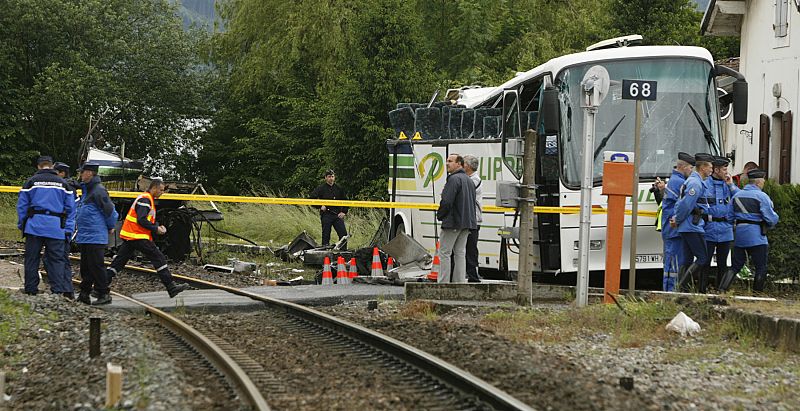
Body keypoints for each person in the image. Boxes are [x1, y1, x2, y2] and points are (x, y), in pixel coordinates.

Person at [106, 179, 189, 298]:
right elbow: (142, 219)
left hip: (132, 236)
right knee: (158, 257)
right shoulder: (145, 199)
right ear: (154, 188)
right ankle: (171, 287)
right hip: (137, 236)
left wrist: (156, 226)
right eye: (161, 190)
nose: (162, 193)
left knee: (118, 262)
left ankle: (101, 287)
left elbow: (146, 219)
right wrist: (156, 229)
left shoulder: (146, 199)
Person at [16, 156, 76, 298]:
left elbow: (22, 206)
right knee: (57, 259)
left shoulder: (31, 182)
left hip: (34, 226)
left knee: (32, 258)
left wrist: (22, 224)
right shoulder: (63, 184)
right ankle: (57, 290)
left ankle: (31, 289)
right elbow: (71, 209)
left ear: (38, 166)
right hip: (56, 228)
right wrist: (68, 229)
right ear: (52, 166)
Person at [719, 169, 779, 292]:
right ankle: (757, 294)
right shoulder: (762, 196)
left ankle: (722, 289)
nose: (763, 183)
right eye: (763, 181)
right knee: (760, 267)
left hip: (740, 236)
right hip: (757, 236)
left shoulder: (737, 196)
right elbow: (771, 218)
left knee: (735, 266)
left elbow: (729, 217)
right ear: (758, 182)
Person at [75, 162, 118, 305]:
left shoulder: (98, 191)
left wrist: (111, 226)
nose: (80, 175)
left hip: (95, 235)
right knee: (86, 266)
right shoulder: (88, 190)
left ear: (90, 173)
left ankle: (103, 293)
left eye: (82, 172)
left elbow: (110, 211)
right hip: (87, 235)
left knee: (96, 266)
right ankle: (84, 293)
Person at [673, 153, 714, 291]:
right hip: (693, 226)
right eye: (710, 167)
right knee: (703, 258)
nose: (711, 170)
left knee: (687, 260)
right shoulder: (695, 184)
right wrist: (677, 219)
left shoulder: (693, 181)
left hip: (687, 226)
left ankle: (681, 290)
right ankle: (682, 286)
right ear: (702, 167)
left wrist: (677, 220)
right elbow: (685, 205)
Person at [436, 154, 476, 283]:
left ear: (459, 164)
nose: (447, 163)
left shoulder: (453, 179)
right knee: (460, 253)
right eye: (447, 161)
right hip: (467, 223)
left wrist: (440, 215)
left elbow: (447, 201)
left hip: (453, 222)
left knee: (444, 253)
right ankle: (459, 282)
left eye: (450, 161)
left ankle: (443, 283)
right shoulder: (469, 180)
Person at [658, 152, 695, 291]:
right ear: (684, 167)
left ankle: (670, 291)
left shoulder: (674, 180)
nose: (692, 172)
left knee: (672, 264)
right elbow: (679, 206)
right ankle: (671, 292)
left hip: (671, 229)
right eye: (691, 168)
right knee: (673, 265)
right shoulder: (679, 182)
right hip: (673, 230)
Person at [703, 156, 739, 290]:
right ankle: (702, 290)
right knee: (705, 262)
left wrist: (731, 185)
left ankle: (722, 291)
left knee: (723, 263)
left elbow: (740, 199)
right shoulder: (705, 184)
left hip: (725, 229)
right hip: (709, 228)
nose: (726, 172)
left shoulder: (729, 184)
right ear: (716, 170)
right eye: (724, 169)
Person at [48, 162, 80, 281]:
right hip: (62, 228)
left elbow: (69, 211)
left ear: (62, 173)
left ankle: (64, 287)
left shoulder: (67, 188)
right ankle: (62, 286)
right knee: (57, 257)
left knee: (59, 258)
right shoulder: (66, 186)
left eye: (55, 171)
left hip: (64, 228)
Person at [309, 169, 348, 249]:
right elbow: (312, 199)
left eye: (332, 176)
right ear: (326, 178)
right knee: (326, 234)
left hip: (337, 215)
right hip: (326, 214)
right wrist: (320, 206)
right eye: (329, 177)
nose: (331, 178)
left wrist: (344, 212)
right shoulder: (321, 188)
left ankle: (343, 252)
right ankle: (325, 252)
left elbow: (346, 201)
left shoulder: (339, 188)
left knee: (343, 234)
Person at [462, 155, 482, 283]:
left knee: (470, 248)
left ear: (468, 166)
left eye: (462, 164)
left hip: (472, 219)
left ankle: (473, 275)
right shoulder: (469, 179)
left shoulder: (473, 180)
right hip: (470, 218)